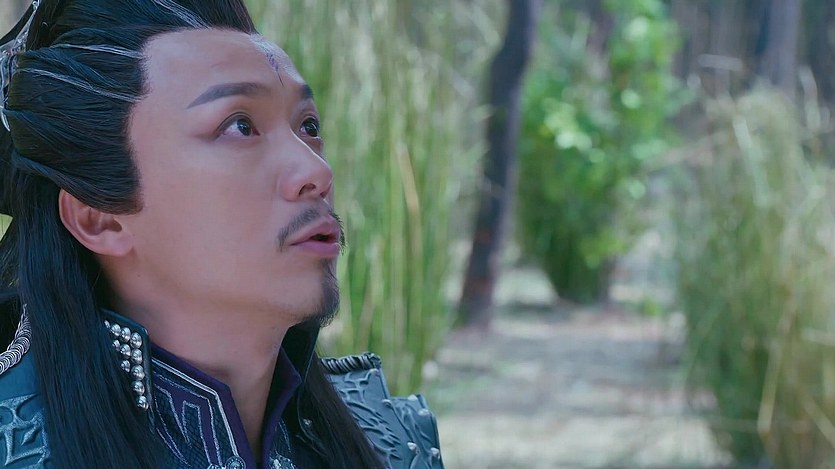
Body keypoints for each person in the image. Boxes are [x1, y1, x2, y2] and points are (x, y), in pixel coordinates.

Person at [0, 1, 443, 468]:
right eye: (240, 126)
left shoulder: (395, 444)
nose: (316, 171)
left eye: (308, 126)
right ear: (100, 220)